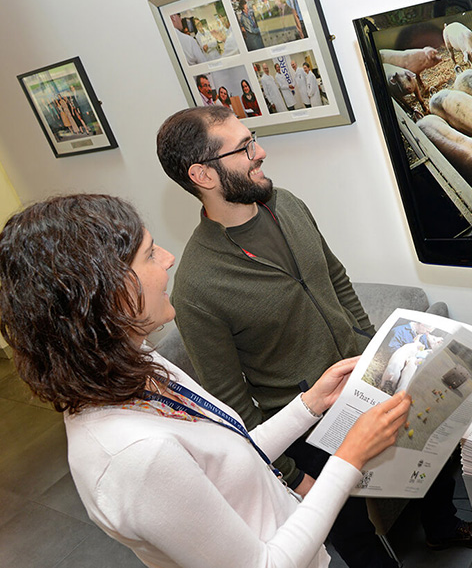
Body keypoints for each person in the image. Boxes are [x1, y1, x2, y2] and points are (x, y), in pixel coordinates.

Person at [0, 193, 411, 568]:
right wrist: (349, 459)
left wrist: (309, 405)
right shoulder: (133, 457)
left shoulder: (138, 361)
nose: (168, 258)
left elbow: (230, 455)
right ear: (106, 292)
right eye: (148, 255)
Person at [156, 106, 472, 568]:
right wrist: (290, 475)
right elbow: (231, 400)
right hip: (304, 424)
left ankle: (442, 528)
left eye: (254, 139)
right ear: (201, 174)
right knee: (352, 530)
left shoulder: (286, 203)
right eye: (244, 147)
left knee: (436, 447)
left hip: (367, 378)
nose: (260, 152)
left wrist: (374, 343)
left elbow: (334, 276)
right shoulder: (197, 285)